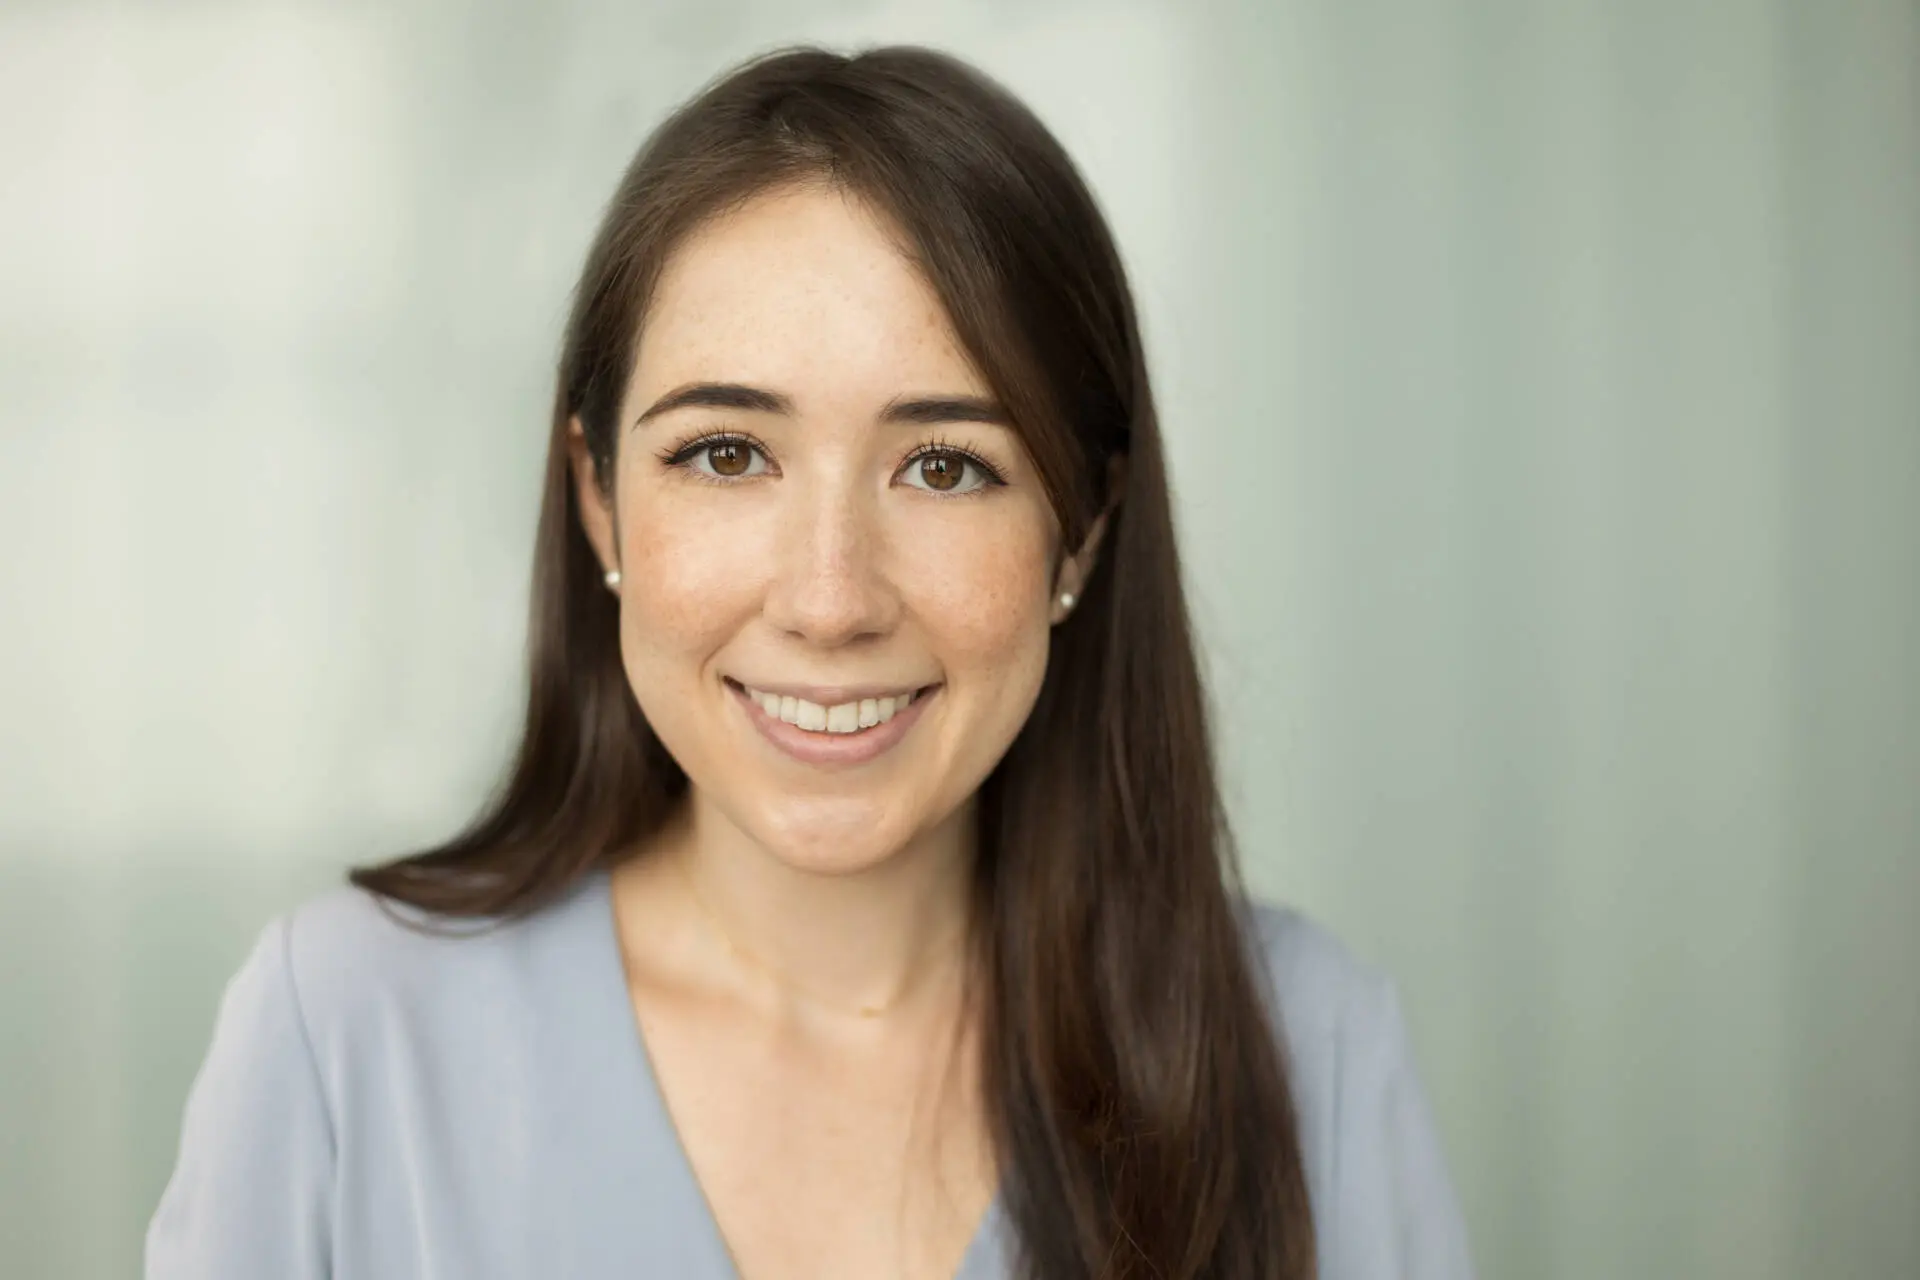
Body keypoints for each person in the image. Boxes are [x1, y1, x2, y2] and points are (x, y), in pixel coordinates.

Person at [145, 44, 1473, 1280]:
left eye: (945, 466)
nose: (832, 602)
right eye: (727, 454)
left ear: (1082, 529)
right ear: (599, 500)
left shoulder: (1312, 1053)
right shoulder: (342, 1036)